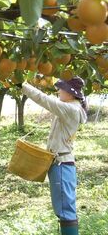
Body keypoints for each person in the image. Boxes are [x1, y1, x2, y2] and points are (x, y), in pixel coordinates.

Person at [20, 77, 87, 235]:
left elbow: (44, 100)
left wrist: (23, 85)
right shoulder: (71, 107)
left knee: (65, 210)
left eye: (61, 89)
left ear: (70, 94)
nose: (58, 91)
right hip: (60, 163)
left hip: (61, 164)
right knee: (63, 208)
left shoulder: (71, 109)